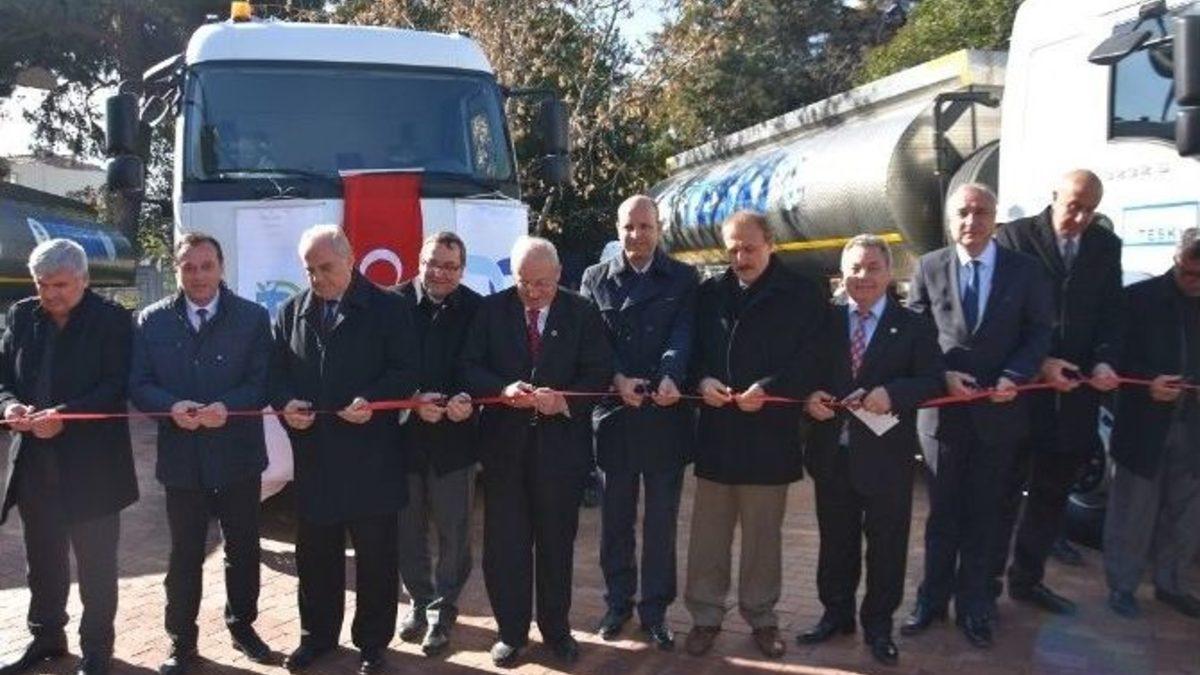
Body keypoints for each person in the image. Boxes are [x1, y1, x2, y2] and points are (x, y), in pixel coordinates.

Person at [902, 184, 1054, 648]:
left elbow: (1039, 332)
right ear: (950, 219)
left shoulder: (1025, 271)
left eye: (981, 212)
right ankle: (931, 601)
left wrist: (1015, 375)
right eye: (962, 213)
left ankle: (975, 606)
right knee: (942, 516)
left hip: (999, 415)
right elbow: (914, 334)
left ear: (995, 218)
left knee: (985, 516)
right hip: (943, 419)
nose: (971, 221)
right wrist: (942, 374)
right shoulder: (928, 266)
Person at [269, 225, 418, 674]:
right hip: (317, 459)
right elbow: (276, 375)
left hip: (373, 459)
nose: (317, 278)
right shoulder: (290, 312)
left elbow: (407, 371)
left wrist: (372, 400)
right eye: (309, 270)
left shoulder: (390, 308)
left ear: (350, 259)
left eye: (325, 268)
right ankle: (316, 637)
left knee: (375, 560)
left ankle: (372, 643)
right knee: (315, 558)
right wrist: (285, 404)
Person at [460, 236, 613, 668]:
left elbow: (599, 372)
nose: (532, 292)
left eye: (542, 283)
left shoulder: (582, 312)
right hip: (504, 451)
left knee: (555, 546)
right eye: (523, 282)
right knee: (505, 548)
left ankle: (556, 630)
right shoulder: (491, 311)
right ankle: (511, 633)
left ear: (559, 275)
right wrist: (501, 389)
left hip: (560, 453)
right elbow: (468, 365)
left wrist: (563, 401)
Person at [683, 210, 827, 660]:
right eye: (732, 249)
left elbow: (814, 359)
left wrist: (771, 388)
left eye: (749, 248)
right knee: (708, 537)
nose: (740, 257)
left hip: (770, 437)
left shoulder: (802, 294)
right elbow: (691, 354)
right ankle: (705, 616)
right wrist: (702, 381)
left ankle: (762, 618)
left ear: (770, 245)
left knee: (763, 539)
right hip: (718, 435)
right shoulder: (709, 294)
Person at [129, 233, 274, 674]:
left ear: (221, 268)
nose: (198, 276)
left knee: (243, 549)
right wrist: (170, 407)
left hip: (238, 456)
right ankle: (181, 640)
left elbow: (263, 381)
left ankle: (243, 626)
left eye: (206, 266)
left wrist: (229, 407)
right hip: (183, 460)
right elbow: (139, 383)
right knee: (184, 554)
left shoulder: (252, 317)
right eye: (188, 267)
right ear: (176, 270)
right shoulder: (151, 320)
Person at [800, 235, 944, 666]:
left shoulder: (913, 325)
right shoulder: (823, 321)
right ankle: (835, 614)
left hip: (887, 459)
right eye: (855, 268)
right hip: (833, 455)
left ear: (889, 273)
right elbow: (804, 373)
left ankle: (879, 627)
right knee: (835, 543)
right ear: (841, 274)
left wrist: (893, 393)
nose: (863, 276)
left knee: (887, 546)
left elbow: (932, 381)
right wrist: (809, 398)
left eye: (873, 268)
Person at [0, 239, 137, 675]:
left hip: (93, 468)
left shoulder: (112, 320)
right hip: (34, 466)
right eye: (42, 284)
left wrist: (65, 417)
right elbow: (3, 378)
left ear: (84, 279)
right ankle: (46, 636)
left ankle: (96, 649)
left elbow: (117, 386)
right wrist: (9, 407)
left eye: (59, 285)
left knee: (96, 566)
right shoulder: (22, 315)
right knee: (42, 561)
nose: (50, 294)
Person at [992, 170, 1123, 615]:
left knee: (1051, 496)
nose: (1081, 218)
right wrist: (1040, 363)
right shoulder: (1014, 237)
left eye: (1090, 210)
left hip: (1074, 397)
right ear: (1053, 197)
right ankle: (984, 588)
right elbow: (1000, 317)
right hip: (1023, 393)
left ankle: (1027, 581)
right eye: (1074, 206)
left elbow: (1111, 313)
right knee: (1003, 494)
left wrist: (1104, 360)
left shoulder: (1106, 245)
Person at [580, 195, 699, 651]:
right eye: (629, 227)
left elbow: (683, 334)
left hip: (665, 415)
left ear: (659, 229)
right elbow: (592, 340)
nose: (637, 235)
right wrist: (617, 379)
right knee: (616, 520)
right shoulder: (595, 278)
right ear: (618, 228)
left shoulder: (683, 278)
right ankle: (617, 604)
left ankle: (655, 611)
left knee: (661, 522)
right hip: (616, 413)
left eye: (645, 226)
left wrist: (671, 375)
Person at [391, 232, 481, 656]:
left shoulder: (478, 309)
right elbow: (379, 366)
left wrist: (469, 400)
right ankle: (419, 601)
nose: (439, 273)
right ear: (419, 260)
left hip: (455, 441)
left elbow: (484, 366)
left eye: (450, 266)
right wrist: (411, 400)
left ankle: (444, 610)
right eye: (432, 263)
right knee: (407, 531)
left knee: (454, 531)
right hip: (404, 440)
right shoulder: (391, 304)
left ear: (462, 270)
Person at [1103, 228, 1200, 620]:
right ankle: (1122, 586)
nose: (1194, 281)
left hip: (1193, 429)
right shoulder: (1138, 299)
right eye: (1188, 272)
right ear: (1175, 260)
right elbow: (1113, 359)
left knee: (1186, 512)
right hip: (1144, 424)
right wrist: (1148, 383)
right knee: (1133, 511)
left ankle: (1172, 584)